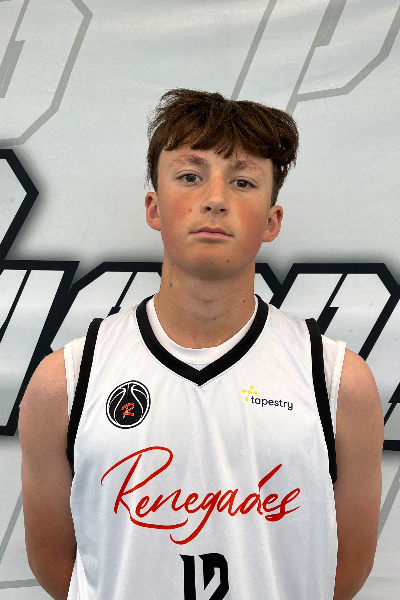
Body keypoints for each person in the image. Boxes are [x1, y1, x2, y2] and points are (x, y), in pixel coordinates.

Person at [19, 89, 384, 600]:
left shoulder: (339, 382)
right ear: (154, 208)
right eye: (190, 176)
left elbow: (341, 573)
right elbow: (61, 567)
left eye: (242, 181)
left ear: (272, 220)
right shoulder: (65, 382)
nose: (215, 198)